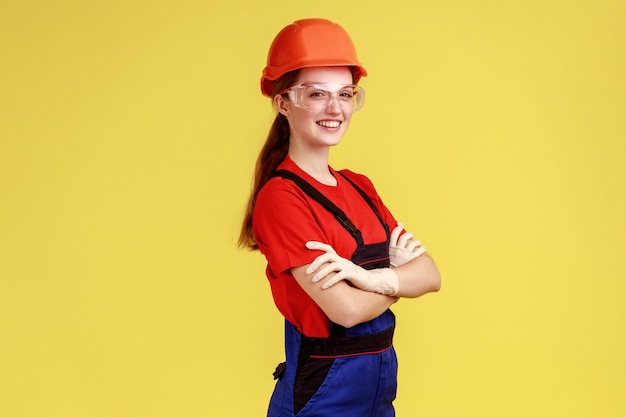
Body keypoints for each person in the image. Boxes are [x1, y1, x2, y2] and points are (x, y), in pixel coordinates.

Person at [239, 18, 441, 417]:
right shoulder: (281, 198)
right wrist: (398, 283)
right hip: (322, 396)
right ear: (283, 103)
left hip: (380, 388)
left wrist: (366, 279)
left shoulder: (360, 186)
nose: (335, 109)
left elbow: (432, 275)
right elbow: (344, 310)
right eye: (317, 94)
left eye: (345, 94)